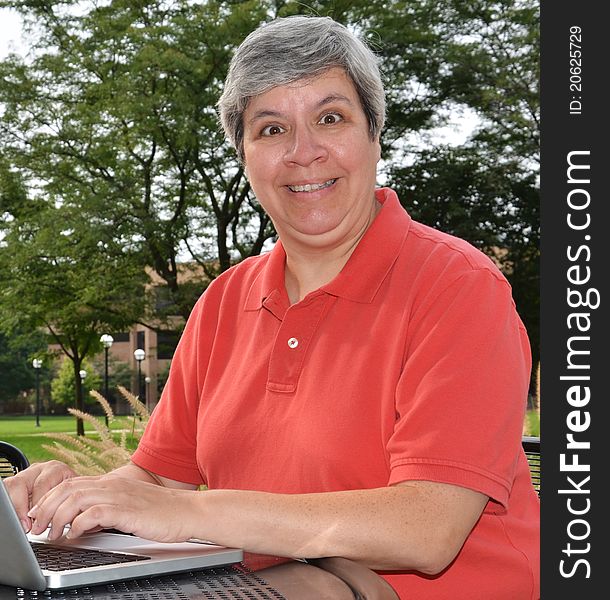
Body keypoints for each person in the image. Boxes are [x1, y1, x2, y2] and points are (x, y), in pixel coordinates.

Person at [6, 15, 539, 599]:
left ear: (374, 134)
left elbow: (428, 529)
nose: (303, 152)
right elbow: (160, 479)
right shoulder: (223, 301)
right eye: (270, 129)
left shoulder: (457, 286)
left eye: (330, 118)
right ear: (245, 156)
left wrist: (189, 516)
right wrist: (72, 497)